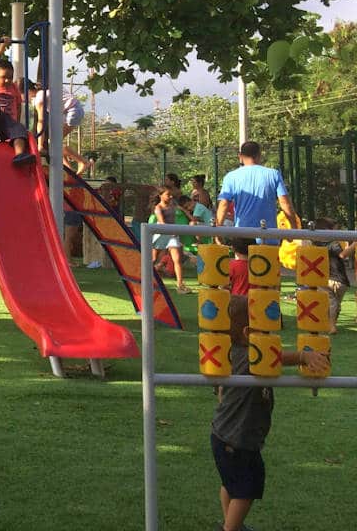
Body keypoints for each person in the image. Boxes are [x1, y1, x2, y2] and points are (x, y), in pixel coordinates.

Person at [210, 295, 328, 531]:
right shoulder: (250, 356)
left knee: (231, 483)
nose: (271, 331)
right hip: (238, 440)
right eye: (264, 324)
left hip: (222, 435)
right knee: (247, 488)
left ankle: (232, 524)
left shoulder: (231, 354)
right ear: (247, 332)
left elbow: (221, 390)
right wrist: (304, 356)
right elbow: (277, 357)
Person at [215, 142, 300, 244]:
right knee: (267, 260)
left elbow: (223, 204)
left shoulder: (231, 177)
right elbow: (285, 203)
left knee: (243, 260)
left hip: (242, 237)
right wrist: (293, 228)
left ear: (240, 156)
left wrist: (217, 231)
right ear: (259, 155)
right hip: (268, 236)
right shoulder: (273, 174)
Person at [30, 82, 90, 174]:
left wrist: (40, 146)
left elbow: (41, 122)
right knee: (55, 143)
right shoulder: (48, 91)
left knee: (55, 143)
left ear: (28, 91)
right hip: (75, 110)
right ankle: (69, 170)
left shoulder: (39, 97)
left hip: (72, 111)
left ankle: (83, 162)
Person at [315, 218, 356, 334]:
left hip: (327, 278)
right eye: (336, 229)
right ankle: (331, 325)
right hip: (337, 280)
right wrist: (354, 244)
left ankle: (331, 324)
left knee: (333, 304)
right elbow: (343, 255)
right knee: (334, 303)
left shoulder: (316, 242)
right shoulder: (333, 243)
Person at [150, 187, 190, 293]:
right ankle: (144, 280)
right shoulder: (158, 208)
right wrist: (171, 231)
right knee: (153, 259)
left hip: (172, 235)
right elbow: (162, 223)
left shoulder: (173, 204)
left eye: (171, 194)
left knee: (177, 260)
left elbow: (181, 208)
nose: (170, 196)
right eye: (168, 194)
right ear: (161, 195)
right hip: (161, 234)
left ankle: (180, 285)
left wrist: (189, 215)